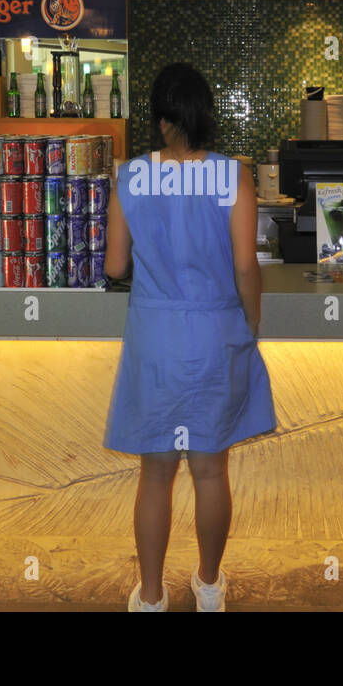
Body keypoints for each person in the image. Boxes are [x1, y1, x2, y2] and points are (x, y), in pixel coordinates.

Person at [104, 62, 275, 612]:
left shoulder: (130, 175)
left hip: (155, 337)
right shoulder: (233, 175)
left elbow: (113, 266)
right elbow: (246, 266)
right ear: (205, 115)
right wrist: (250, 323)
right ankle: (207, 586)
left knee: (155, 474)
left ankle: (151, 597)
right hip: (215, 333)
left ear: (159, 119)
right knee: (209, 470)